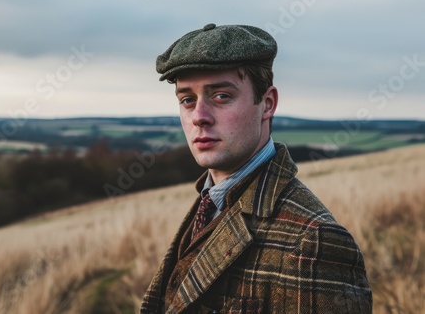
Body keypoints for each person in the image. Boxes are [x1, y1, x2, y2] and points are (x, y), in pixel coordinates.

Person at [141, 23, 372, 313]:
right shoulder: (210, 201)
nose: (199, 117)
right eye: (187, 100)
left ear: (267, 103)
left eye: (221, 96)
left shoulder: (315, 242)